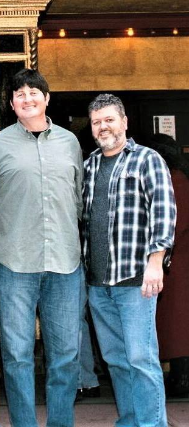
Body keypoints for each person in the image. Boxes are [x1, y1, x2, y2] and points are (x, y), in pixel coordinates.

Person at [0, 69, 84, 427]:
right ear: (12, 104)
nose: (27, 98)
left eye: (34, 92)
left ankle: (61, 423)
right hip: (14, 264)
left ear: (47, 98)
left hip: (65, 263)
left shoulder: (70, 143)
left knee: (66, 354)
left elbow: (78, 199)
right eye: (20, 94)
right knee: (16, 355)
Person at [82, 94, 176, 426]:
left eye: (109, 119)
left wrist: (156, 262)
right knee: (116, 361)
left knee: (141, 359)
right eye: (96, 122)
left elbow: (164, 213)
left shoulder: (147, 159)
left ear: (124, 122)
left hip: (136, 280)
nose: (103, 126)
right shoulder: (90, 165)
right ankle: (131, 421)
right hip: (98, 284)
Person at [148, 134, 189, 398]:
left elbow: (176, 224)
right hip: (177, 260)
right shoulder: (179, 177)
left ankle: (181, 377)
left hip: (174, 261)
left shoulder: (174, 180)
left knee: (176, 323)